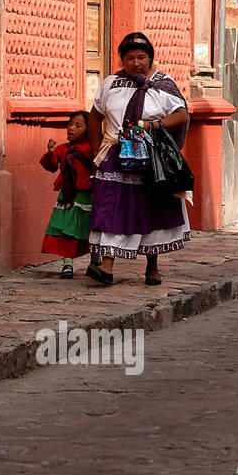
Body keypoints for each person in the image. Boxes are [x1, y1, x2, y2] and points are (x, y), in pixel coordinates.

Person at [85, 32, 192, 286]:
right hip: (115, 157)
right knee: (113, 207)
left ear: (151, 58)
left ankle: (152, 266)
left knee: (150, 207)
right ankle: (107, 268)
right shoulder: (111, 83)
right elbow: (94, 116)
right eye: (130, 57)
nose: (135, 63)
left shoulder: (162, 84)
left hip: (151, 159)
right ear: (122, 59)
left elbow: (181, 115)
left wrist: (151, 126)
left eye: (141, 57)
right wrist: (95, 150)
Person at [38, 110, 96, 278]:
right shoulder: (63, 149)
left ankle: (96, 260)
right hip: (68, 197)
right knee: (66, 229)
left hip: (88, 195)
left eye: (78, 126)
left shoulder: (92, 149)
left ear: (88, 129)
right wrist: (50, 153)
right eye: (70, 124)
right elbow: (51, 166)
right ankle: (67, 264)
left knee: (91, 227)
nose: (71, 128)